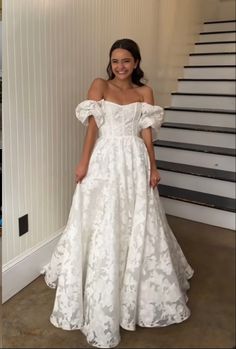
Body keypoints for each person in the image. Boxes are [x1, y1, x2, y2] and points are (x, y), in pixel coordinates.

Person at [42, 38, 194, 348]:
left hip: (135, 159)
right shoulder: (100, 85)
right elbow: (92, 129)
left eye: (126, 60)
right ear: (110, 64)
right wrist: (83, 162)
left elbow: (147, 134)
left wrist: (153, 167)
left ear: (136, 62)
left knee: (137, 219)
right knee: (102, 219)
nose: (120, 66)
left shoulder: (144, 93)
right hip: (105, 159)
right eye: (115, 61)